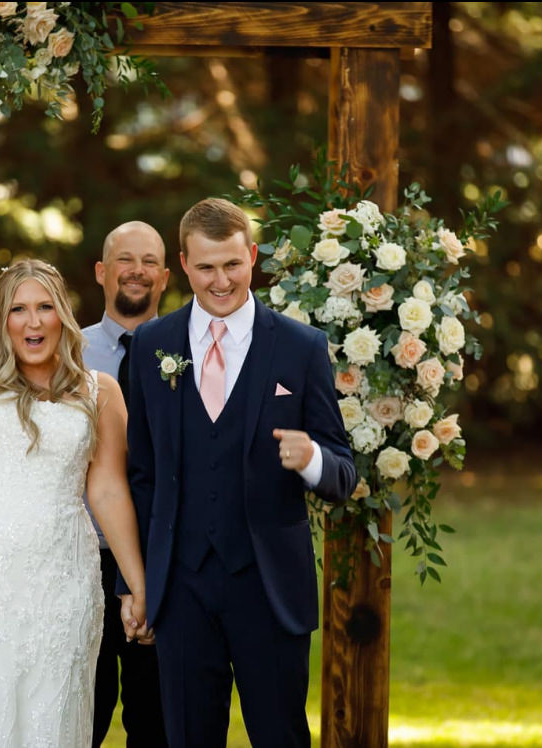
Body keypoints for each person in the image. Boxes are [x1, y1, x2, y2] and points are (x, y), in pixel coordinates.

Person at [0, 152, 149, 748]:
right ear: (3, 320)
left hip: (62, 579)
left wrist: (136, 582)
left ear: (63, 316)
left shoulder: (100, 392)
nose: (32, 321)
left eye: (45, 307)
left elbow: (108, 489)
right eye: (18, 309)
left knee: (51, 715)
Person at [120, 198, 357, 747]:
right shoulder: (153, 346)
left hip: (268, 588)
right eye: (206, 267)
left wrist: (312, 459)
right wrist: (134, 585)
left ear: (252, 255)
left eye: (232, 264)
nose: (221, 280)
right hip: (181, 588)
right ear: (184, 264)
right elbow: (141, 477)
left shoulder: (300, 347)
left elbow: (343, 472)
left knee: (280, 736)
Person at [81, 221, 170, 747]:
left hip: (163, 557)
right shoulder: (62, 351)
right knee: (80, 717)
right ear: (101, 271)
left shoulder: (189, 348)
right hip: (82, 561)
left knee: (156, 721)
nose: (137, 271)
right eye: (124, 259)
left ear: (165, 276)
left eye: (149, 261)